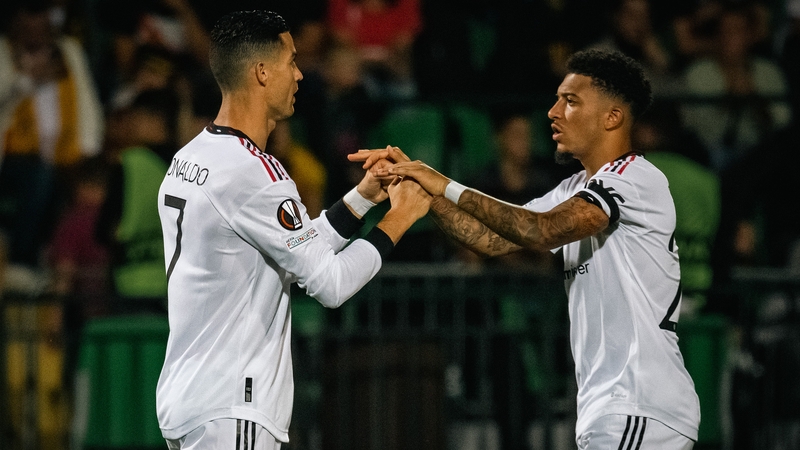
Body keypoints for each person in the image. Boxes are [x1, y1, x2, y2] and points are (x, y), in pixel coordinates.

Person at [353, 49, 701, 449]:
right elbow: (490, 239)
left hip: (642, 405)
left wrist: (441, 182)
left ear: (612, 117)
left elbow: (541, 231)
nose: (552, 112)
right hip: (615, 409)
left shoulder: (633, 178)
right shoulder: (575, 189)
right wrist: (423, 193)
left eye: (570, 101)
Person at [155, 10, 430, 449]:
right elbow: (330, 283)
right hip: (233, 406)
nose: (300, 74)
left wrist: (363, 198)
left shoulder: (191, 157)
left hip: (193, 397)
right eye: (291, 61)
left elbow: (295, 248)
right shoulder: (254, 173)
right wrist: (401, 217)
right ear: (262, 72)